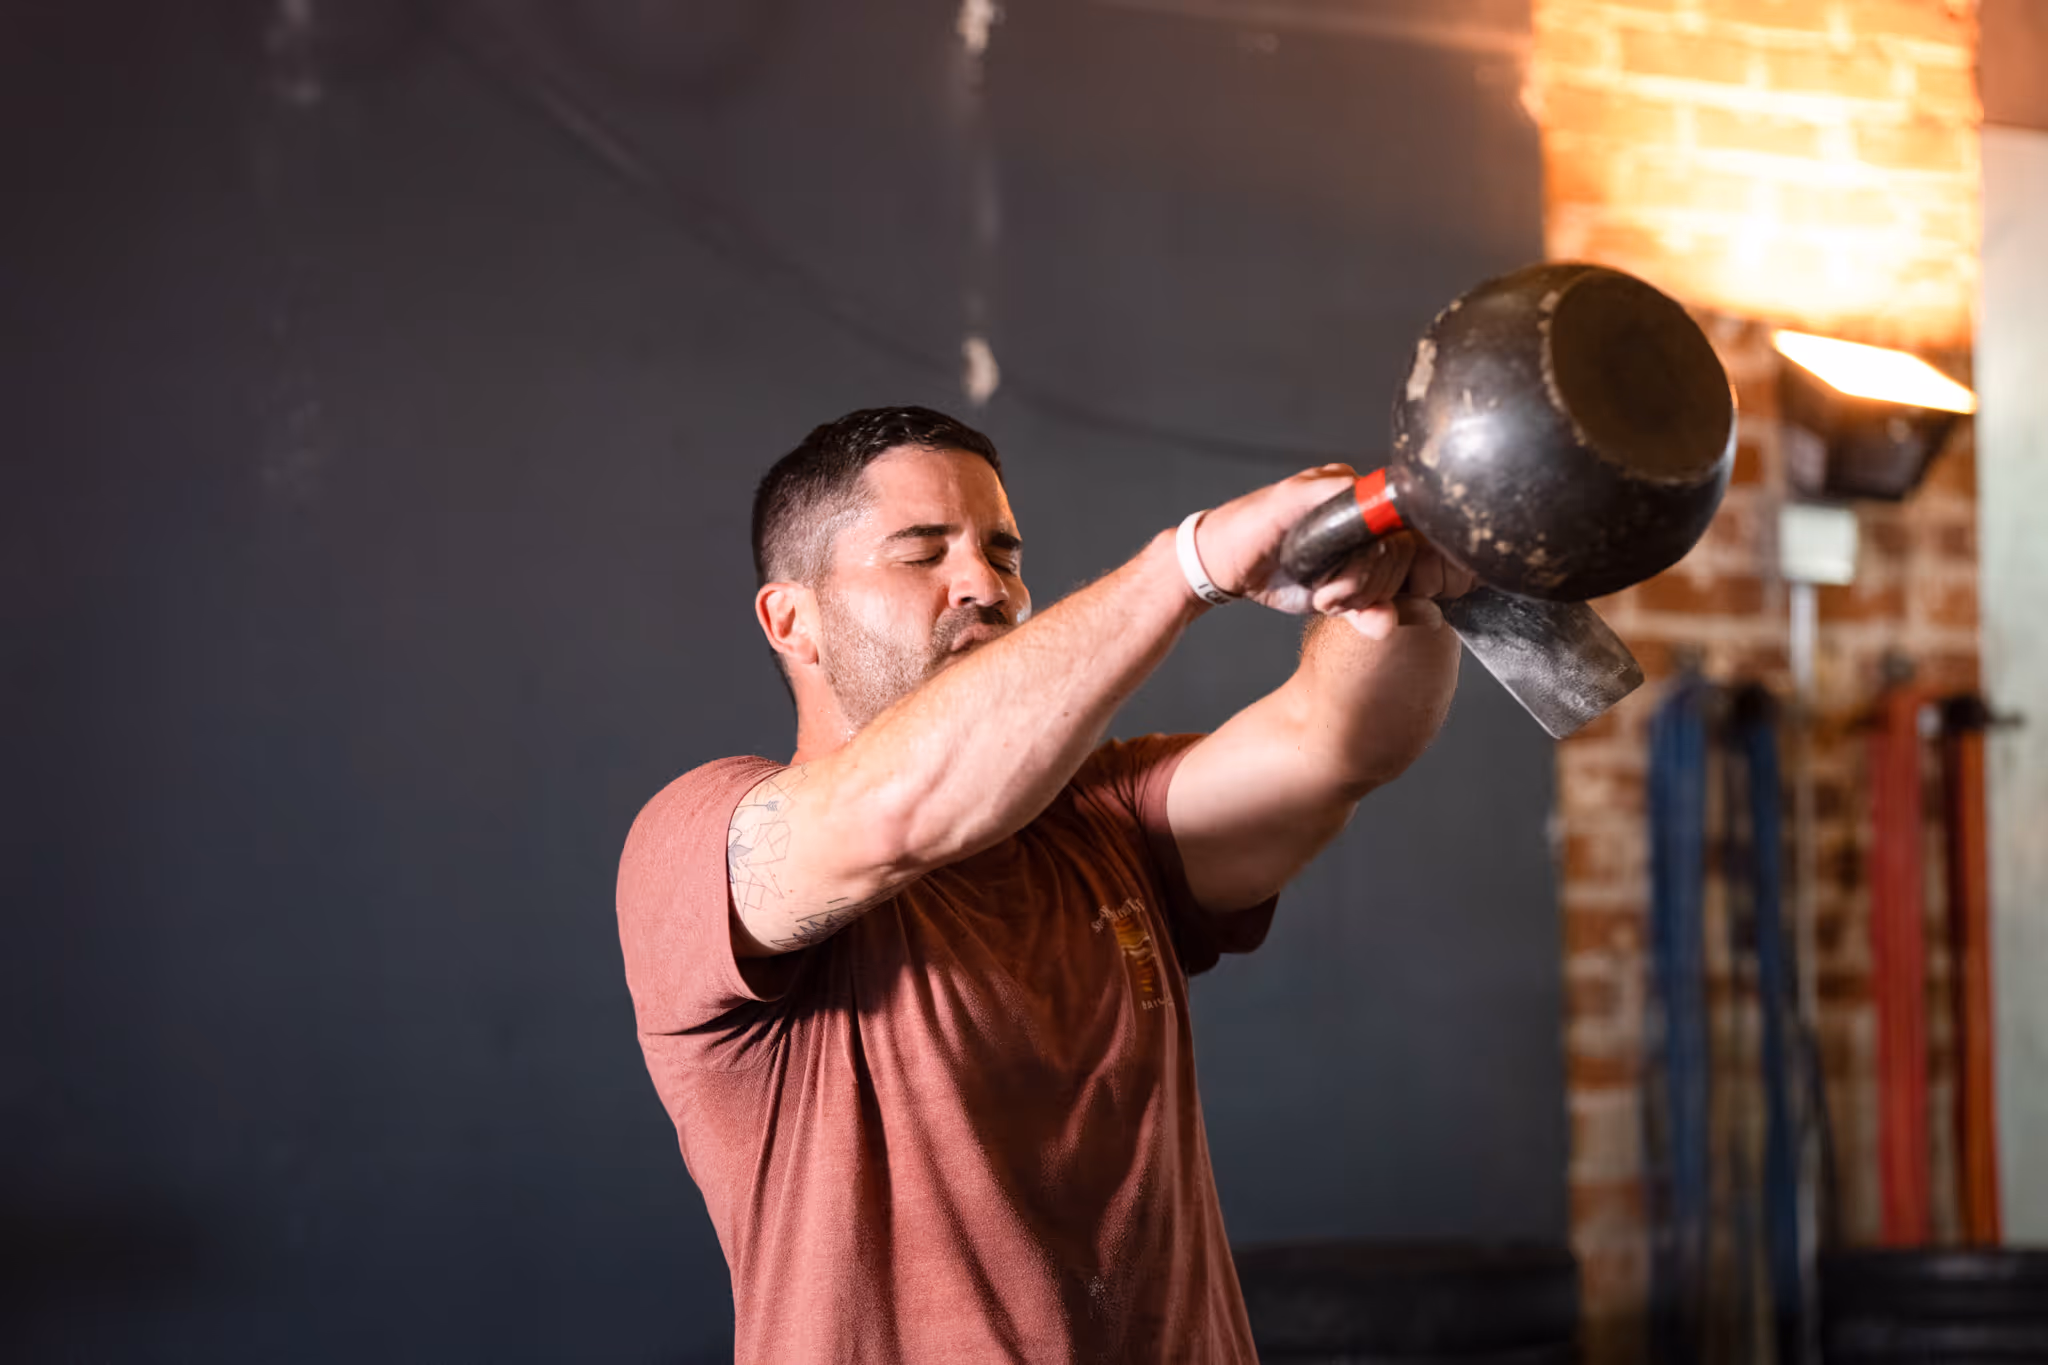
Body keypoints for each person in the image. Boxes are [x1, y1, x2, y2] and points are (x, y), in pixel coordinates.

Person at [616, 406, 1475, 1363]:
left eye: (1001, 550)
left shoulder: (1106, 821)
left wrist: (1393, 589)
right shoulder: (702, 841)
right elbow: (901, 809)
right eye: (922, 553)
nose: (983, 583)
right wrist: (1185, 565)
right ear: (792, 620)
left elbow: (1339, 741)